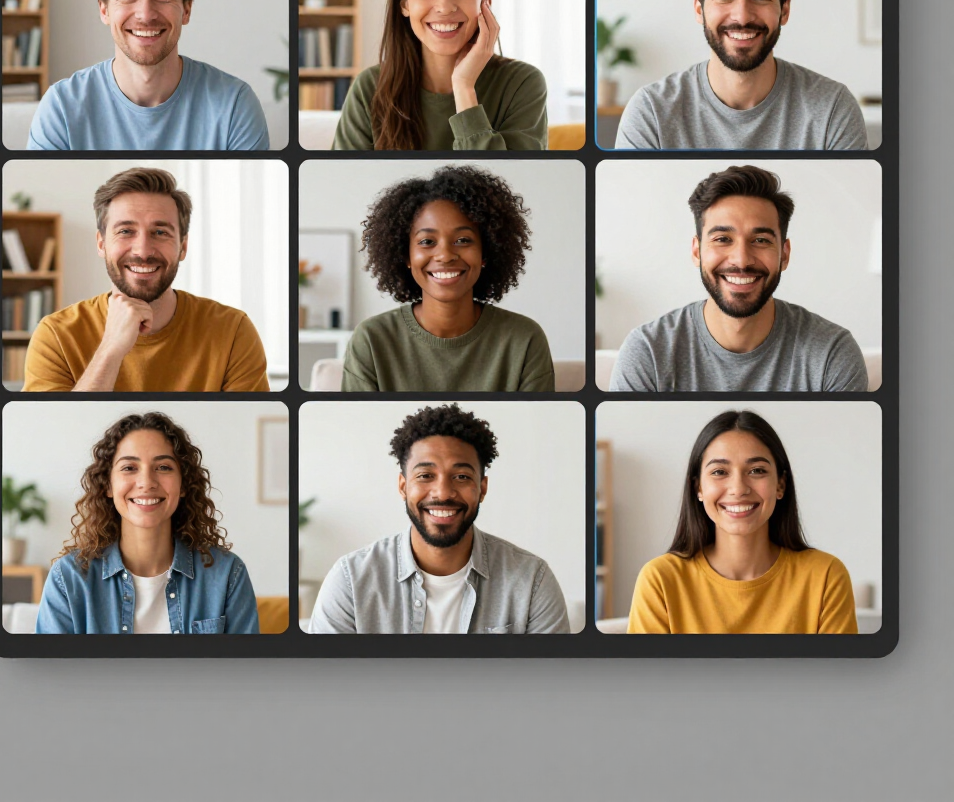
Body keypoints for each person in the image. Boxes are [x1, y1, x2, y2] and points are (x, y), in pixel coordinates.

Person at [308, 403, 570, 634]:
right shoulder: (351, 580)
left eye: (462, 477)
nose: (443, 493)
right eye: (425, 476)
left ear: (482, 488)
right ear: (403, 487)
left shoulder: (531, 580)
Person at [610, 165, 868, 392]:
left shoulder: (832, 352)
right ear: (697, 252)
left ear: (785, 254)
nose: (742, 260)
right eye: (723, 239)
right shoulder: (648, 351)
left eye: (761, 240)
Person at [614, 0, 868, 150]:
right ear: (699, 10)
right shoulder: (651, 111)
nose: (743, 16)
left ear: (784, 11)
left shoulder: (832, 108)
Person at [23, 167, 270, 392]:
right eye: (125, 231)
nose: (142, 251)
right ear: (101, 244)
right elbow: (63, 425)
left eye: (160, 232)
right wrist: (111, 348)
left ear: (183, 247)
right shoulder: (55, 335)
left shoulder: (233, 331)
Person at [26, 0, 269, 151]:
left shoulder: (235, 104)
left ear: (186, 10)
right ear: (104, 10)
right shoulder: (61, 107)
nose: (145, 14)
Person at [627, 410, 858, 634]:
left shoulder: (825, 576)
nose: (738, 489)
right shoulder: (661, 579)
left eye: (756, 470)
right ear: (698, 487)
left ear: (780, 485)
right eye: (719, 472)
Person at [36, 412, 260, 634]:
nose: (146, 482)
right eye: (129, 468)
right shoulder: (69, 578)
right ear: (108, 485)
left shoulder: (227, 574)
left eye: (163, 467)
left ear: (183, 485)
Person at [341, 165, 554, 392]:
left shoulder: (524, 339)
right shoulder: (372, 340)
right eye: (427, 242)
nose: (445, 255)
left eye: (463, 240)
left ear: (485, 252)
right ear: (406, 256)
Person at [332, 0, 547, 151]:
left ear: (486, 1)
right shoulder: (370, 87)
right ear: (404, 4)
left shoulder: (522, 84)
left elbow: (500, 174)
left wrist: (464, 88)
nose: (444, 7)